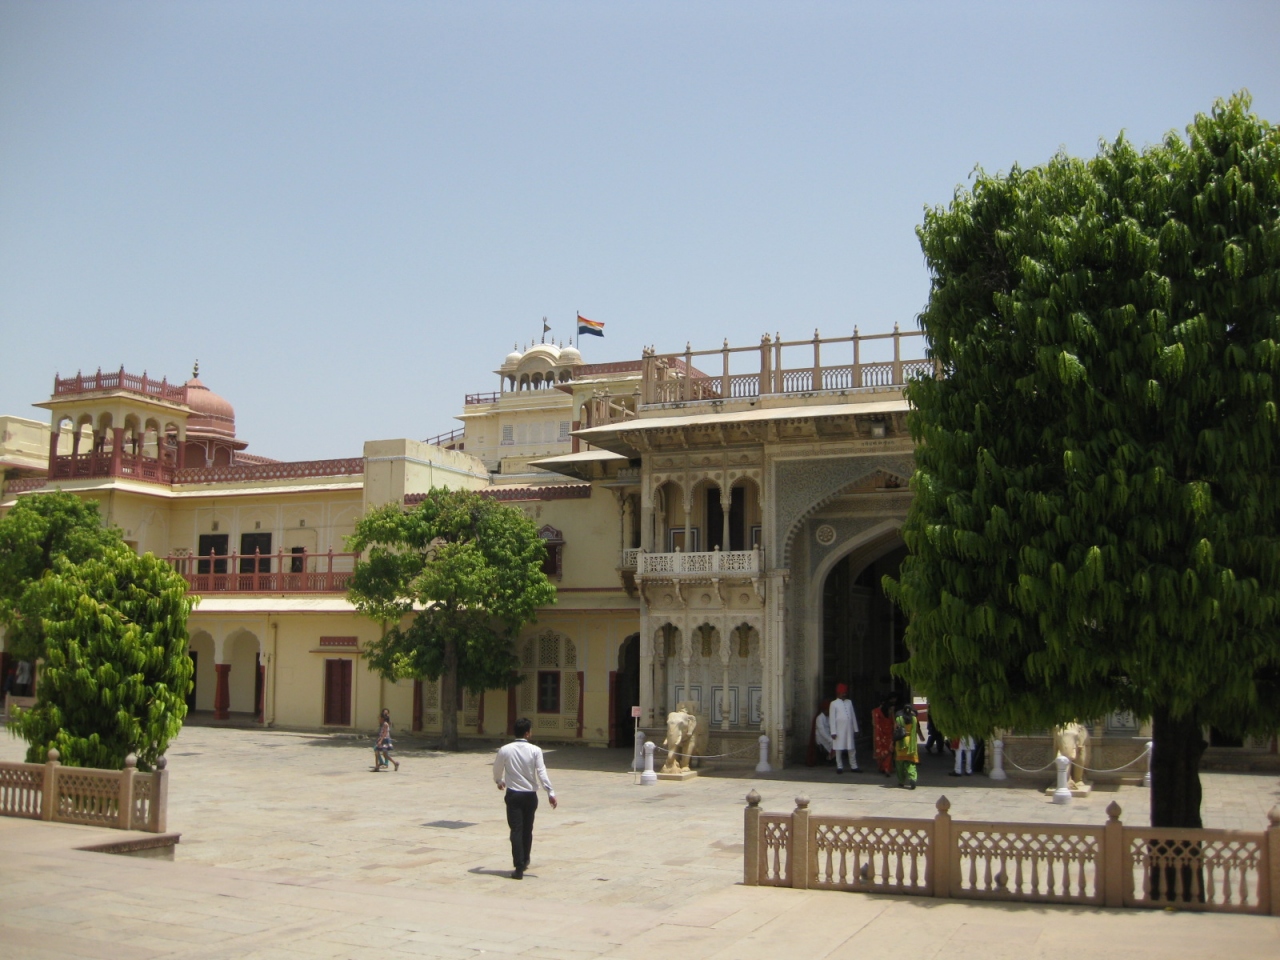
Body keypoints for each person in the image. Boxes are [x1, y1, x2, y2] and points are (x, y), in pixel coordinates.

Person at [493, 717, 557, 879]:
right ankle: (525, 859)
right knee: (527, 829)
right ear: (527, 733)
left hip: (514, 794)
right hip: (530, 795)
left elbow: (497, 769)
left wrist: (499, 781)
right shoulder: (535, 750)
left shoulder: (505, 750)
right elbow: (541, 772)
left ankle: (519, 866)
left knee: (516, 830)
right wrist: (550, 792)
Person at [828, 683, 859, 773]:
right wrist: (833, 732)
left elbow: (853, 716)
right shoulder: (833, 704)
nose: (844, 694)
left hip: (849, 729)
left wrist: (856, 729)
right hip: (839, 730)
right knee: (838, 749)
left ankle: (854, 766)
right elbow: (832, 719)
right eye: (842, 693)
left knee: (851, 748)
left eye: (845, 693)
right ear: (838, 693)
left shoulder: (849, 702)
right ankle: (839, 766)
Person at [893, 703, 921, 789]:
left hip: (900, 742)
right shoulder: (914, 719)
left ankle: (901, 781)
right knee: (910, 762)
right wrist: (921, 737)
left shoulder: (898, 718)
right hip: (911, 743)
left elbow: (895, 730)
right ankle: (912, 777)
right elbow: (917, 729)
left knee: (900, 763)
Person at [871, 694, 897, 776]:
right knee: (888, 752)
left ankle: (883, 768)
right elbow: (893, 723)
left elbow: (874, 724)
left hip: (881, 735)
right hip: (887, 735)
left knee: (882, 751)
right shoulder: (890, 710)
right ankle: (886, 768)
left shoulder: (876, 712)